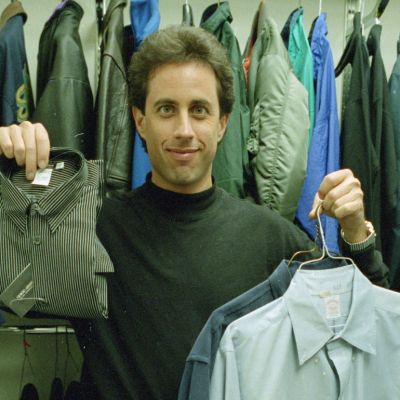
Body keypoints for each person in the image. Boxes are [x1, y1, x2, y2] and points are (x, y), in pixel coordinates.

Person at [0, 25, 388, 400]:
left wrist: (356, 234)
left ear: (221, 124)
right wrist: (7, 170)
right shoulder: (90, 228)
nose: (184, 129)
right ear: (140, 121)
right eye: (167, 109)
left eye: (199, 110)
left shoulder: (271, 238)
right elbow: (9, 286)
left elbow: (372, 329)